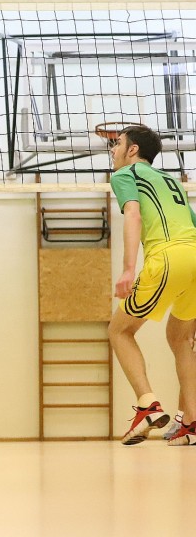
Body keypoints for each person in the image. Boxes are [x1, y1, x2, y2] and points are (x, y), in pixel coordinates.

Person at [107, 125, 196, 446]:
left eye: (117, 144)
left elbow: (133, 215)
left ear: (133, 150)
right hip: (194, 256)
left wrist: (128, 269)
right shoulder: (172, 182)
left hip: (168, 258)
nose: (113, 150)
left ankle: (147, 405)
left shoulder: (125, 174)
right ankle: (191, 423)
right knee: (180, 338)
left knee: (119, 330)